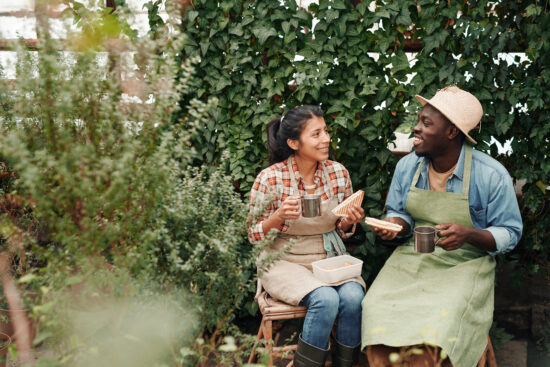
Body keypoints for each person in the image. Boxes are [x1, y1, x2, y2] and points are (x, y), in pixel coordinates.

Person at [361, 86, 523, 367]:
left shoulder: (491, 175)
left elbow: (510, 232)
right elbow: (399, 212)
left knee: (442, 319)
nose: (416, 129)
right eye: (419, 120)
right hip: (412, 259)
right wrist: (395, 226)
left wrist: (469, 234)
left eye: (426, 123)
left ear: (451, 132)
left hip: (466, 263)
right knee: (374, 307)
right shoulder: (408, 167)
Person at [248, 105, 365, 367]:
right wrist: (277, 218)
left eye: (325, 131)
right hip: (283, 260)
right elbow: (253, 234)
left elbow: (341, 231)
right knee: (325, 299)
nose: (326, 139)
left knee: (353, 297)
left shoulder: (338, 173)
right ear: (293, 142)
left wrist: (348, 221)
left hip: (329, 257)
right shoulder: (269, 179)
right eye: (316, 134)